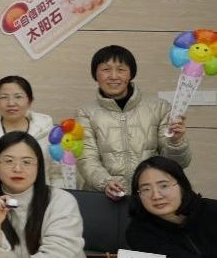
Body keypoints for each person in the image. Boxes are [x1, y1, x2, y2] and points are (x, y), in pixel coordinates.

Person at [77, 45, 189, 200]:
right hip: (104, 198)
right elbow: (86, 158)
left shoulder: (160, 107)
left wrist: (176, 142)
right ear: (95, 74)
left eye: (121, 69)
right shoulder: (85, 112)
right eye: (106, 70)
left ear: (131, 73)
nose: (114, 76)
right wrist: (105, 182)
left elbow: (178, 164)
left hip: (151, 197)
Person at [0, 132, 93, 258]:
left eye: (27, 162)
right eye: (9, 161)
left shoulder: (61, 201)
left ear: (38, 167)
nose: (18, 168)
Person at [126, 157, 217, 258]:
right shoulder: (138, 232)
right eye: (146, 189)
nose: (156, 196)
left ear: (182, 185)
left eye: (164, 186)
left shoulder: (212, 210)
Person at [0, 75, 63, 186]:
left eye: (18, 97)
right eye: (4, 97)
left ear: (30, 101)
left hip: (41, 195)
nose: (11, 103)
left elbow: (57, 174)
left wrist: (54, 196)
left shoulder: (48, 133)